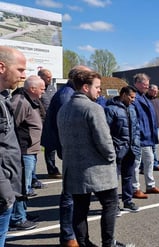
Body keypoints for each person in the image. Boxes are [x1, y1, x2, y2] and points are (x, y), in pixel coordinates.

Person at [57, 70, 132, 247]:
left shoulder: (64, 109)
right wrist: (112, 157)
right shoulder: (94, 108)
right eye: (97, 87)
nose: (100, 91)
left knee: (80, 210)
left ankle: (84, 243)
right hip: (98, 169)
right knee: (110, 205)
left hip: (73, 168)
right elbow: (104, 141)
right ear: (85, 87)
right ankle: (108, 243)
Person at [41, 65, 91, 247]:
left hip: (71, 149)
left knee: (74, 194)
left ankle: (72, 234)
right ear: (80, 77)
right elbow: (67, 127)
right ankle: (68, 236)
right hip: (70, 150)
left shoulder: (70, 93)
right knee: (70, 195)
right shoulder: (66, 96)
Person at [9, 75, 45, 231]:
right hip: (23, 151)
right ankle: (18, 218)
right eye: (42, 89)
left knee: (26, 184)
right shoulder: (20, 102)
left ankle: (21, 213)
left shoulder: (31, 101)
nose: (44, 92)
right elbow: (11, 126)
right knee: (22, 185)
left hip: (30, 150)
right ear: (33, 89)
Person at [0, 46, 26, 245]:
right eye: (20, 70)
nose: (23, 75)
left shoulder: (4, 98)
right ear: (2, 67)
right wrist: (6, 193)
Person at [105, 86, 140, 213]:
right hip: (117, 149)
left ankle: (128, 201)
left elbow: (136, 128)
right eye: (131, 97)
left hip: (131, 149)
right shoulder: (110, 109)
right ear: (124, 95)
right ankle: (114, 205)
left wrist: (136, 143)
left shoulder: (132, 109)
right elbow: (106, 131)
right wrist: (111, 147)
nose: (133, 100)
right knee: (114, 178)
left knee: (128, 176)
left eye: (134, 97)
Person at [131, 73, 159, 199]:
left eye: (147, 84)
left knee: (149, 160)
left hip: (148, 136)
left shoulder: (144, 97)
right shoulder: (133, 97)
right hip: (138, 137)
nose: (147, 87)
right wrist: (138, 133)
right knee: (136, 163)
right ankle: (135, 189)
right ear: (137, 83)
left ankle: (150, 186)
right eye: (145, 84)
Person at [38, 68, 62, 180]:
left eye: (50, 76)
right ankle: (51, 169)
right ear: (41, 77)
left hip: (54, 121)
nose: (50, 79)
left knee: (54, 146)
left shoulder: (52, 88)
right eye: (48, 77)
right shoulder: (37, 89)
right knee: (48, 147)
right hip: (42, 123)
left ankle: (54, 168)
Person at [146, 84, 159, 171]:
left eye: (157, 91)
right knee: (146, 147)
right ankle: (145, 166)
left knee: (155, 147)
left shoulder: (157, 100)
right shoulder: (145, 100)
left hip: (156, 126)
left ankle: (155, 164)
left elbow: (158, 113)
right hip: (148, 126)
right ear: (149, 90)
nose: (156, 92)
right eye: (154, 91)